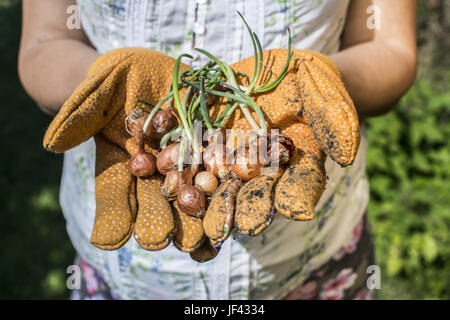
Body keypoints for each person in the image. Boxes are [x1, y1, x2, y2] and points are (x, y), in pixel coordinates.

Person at [18, 0, 417, 300]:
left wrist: (316, 86)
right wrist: (110, 87)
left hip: (312, 262)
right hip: (125, 276)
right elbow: (46, 41)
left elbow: (390, 47)